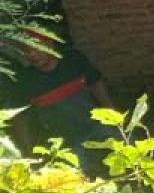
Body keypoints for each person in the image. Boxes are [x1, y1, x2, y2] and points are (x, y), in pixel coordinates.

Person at [7, 35, 115, 172]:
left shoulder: (73, 61)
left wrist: (111, 111)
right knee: (75, 179)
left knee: (129, 148)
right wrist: (28, 150)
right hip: (65, 140)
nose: (32, 55)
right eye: (27, 51)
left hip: (95, 124)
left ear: (50, 45)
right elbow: (20, 118)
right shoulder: (24, 80)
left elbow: (95, 83)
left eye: (36, 49)